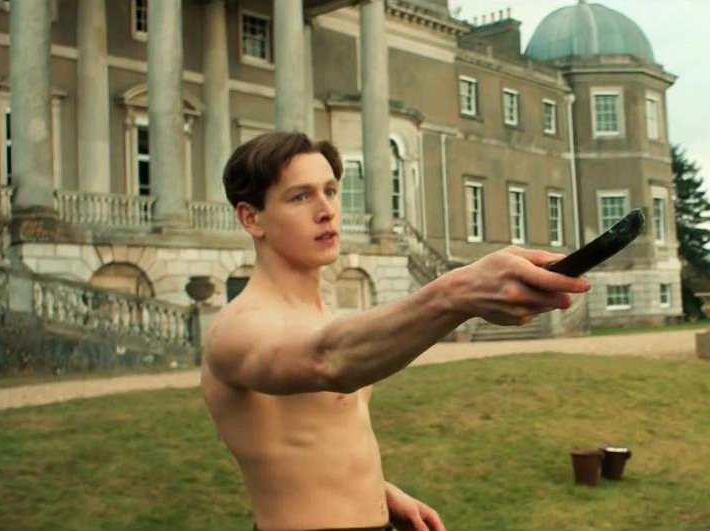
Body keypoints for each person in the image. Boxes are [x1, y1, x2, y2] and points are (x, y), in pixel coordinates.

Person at [201, 132, 590, 531]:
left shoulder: (324, 317)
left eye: (331, 191)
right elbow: (328, 361)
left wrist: (376, 491)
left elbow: (313, 440)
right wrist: (456, 293)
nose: (327, 210)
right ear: (251, 218)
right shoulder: (236, 328)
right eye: (300, 197)